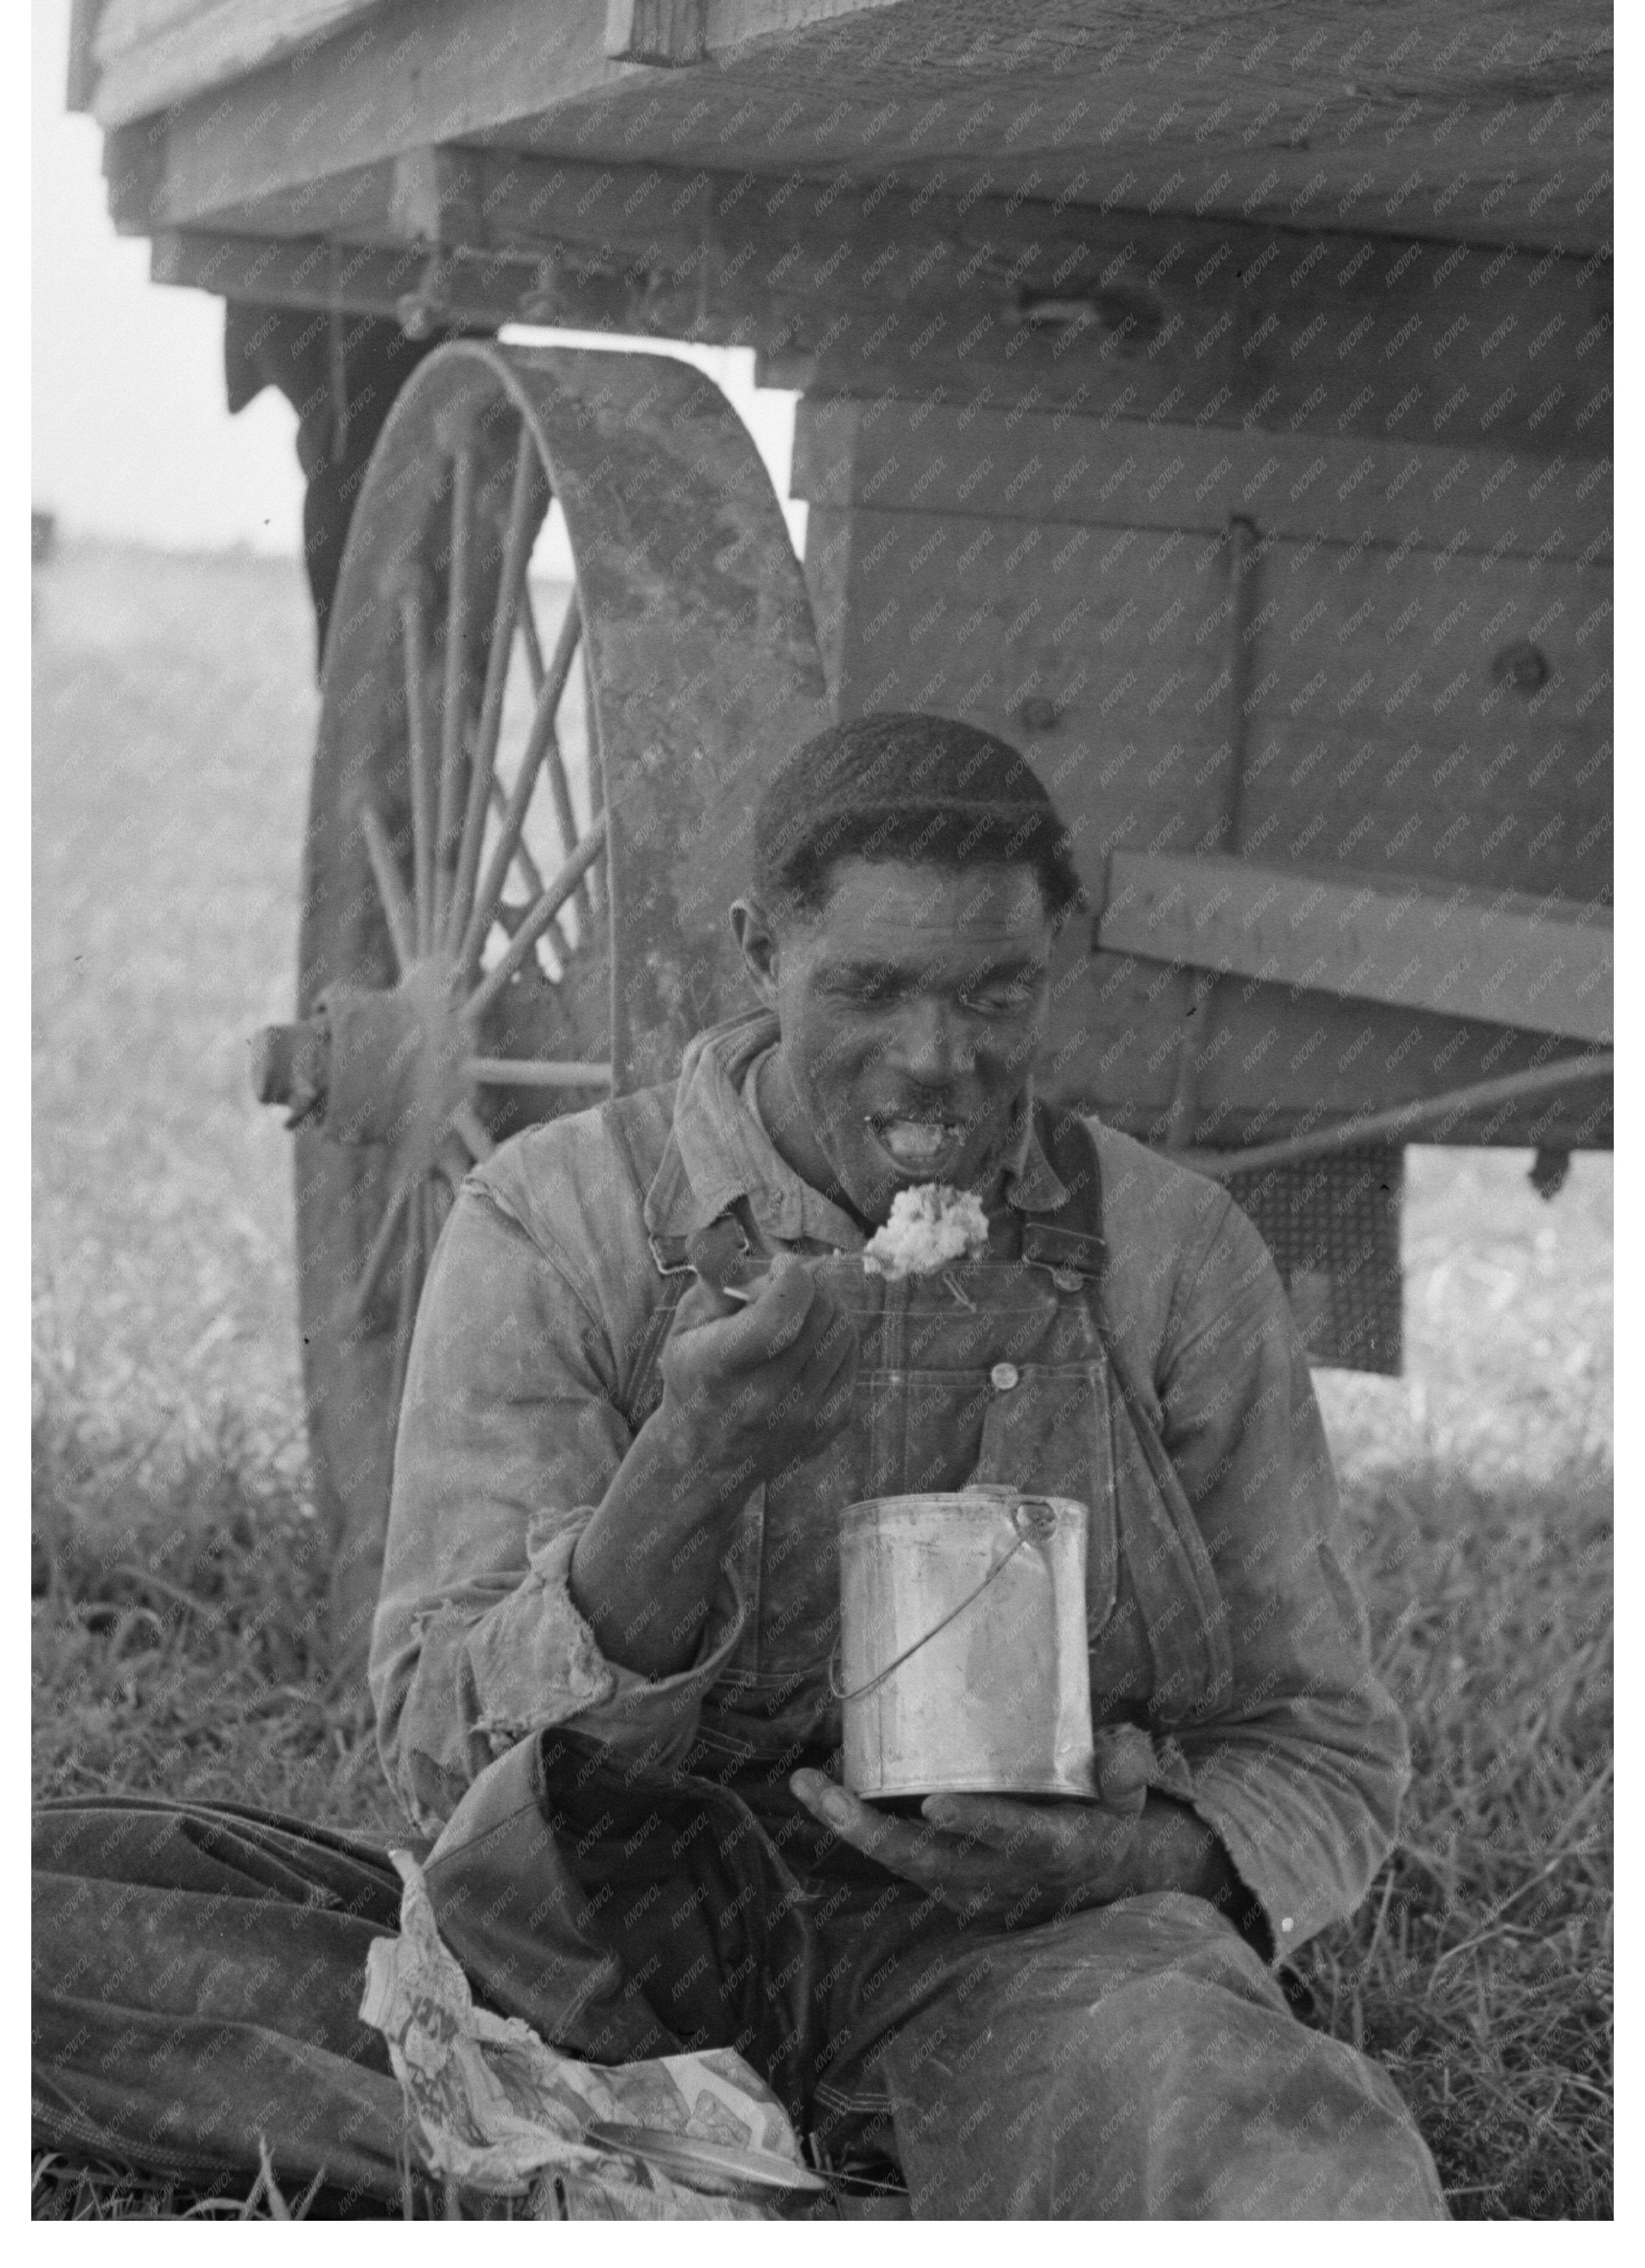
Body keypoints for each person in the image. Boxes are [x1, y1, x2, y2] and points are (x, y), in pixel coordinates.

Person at [33, 711, 1447, 2217]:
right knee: (56, 1930)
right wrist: (692, 1462)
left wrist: (1119, 1864)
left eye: (995, 994)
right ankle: (662, 2148)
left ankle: (650, 2172)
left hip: (1026, 1954)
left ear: (1059, 963)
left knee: (1291, 2173)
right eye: (869, 989)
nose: (936, 1063)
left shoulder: (1171, 1257)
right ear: (752, 951)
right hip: (586, 1939)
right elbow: (441, 1744)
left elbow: (1320, 1745)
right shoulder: (554, 1221)